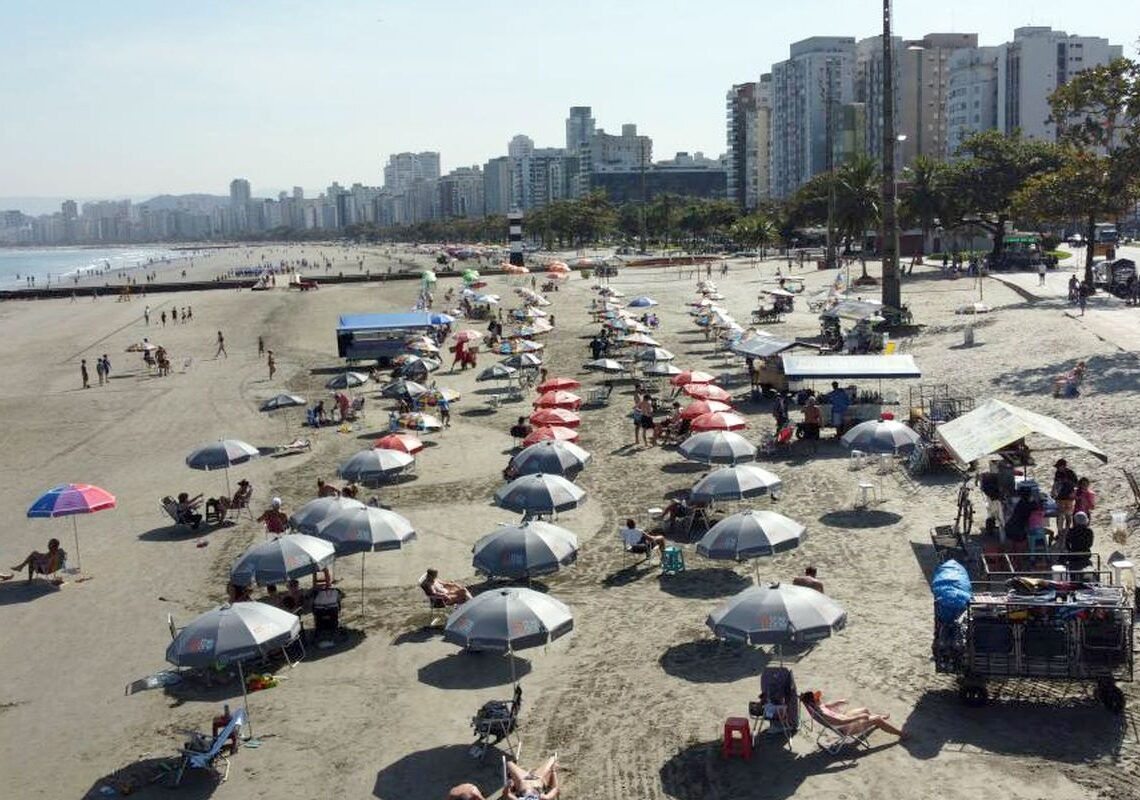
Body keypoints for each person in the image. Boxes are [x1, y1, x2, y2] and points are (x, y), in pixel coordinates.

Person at [799, 692, 904, 739]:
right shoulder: (823, 714)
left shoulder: (814, 708)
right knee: (876, 719)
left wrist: (838, 702)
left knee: (865, 710)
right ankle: (900, 734)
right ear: (814, 702)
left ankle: (877, 721)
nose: (820, 699)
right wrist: (859, 717)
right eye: (817, 698)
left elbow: (825, 705)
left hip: (843, 718)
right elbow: (841, 722)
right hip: (846, 727)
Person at [1051, 459, 1078, 536]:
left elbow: (1076, 484)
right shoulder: (1058, 473)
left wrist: (1068, 482)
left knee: (1068, 515)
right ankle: (1059, 531)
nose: (1058, 468)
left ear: (1063, 466)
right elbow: (1055, 483)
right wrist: (1053, 491)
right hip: (1060, 497)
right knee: (1060, 515)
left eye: (1059, 467)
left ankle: (1067, 530)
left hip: (1069, 497)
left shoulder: (1071, 473)